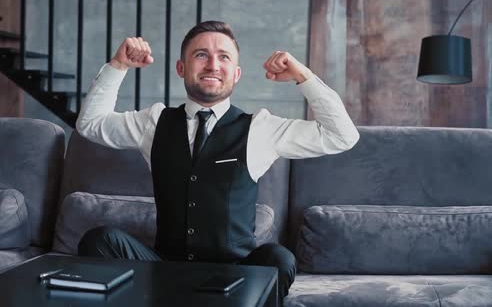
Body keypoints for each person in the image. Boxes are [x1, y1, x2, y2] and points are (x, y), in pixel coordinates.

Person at [76, 20, 359, 302]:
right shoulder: (154, 122)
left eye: (223, 57)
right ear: (181, 68)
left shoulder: (260, 128)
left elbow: (342, 136)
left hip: (235, 280)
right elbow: (90, 124)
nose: (213, 65)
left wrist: (303, 76)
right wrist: (118, 66)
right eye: (201, 55)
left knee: (278, 258)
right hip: (164, 270)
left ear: (236, 74)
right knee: (101, 240)